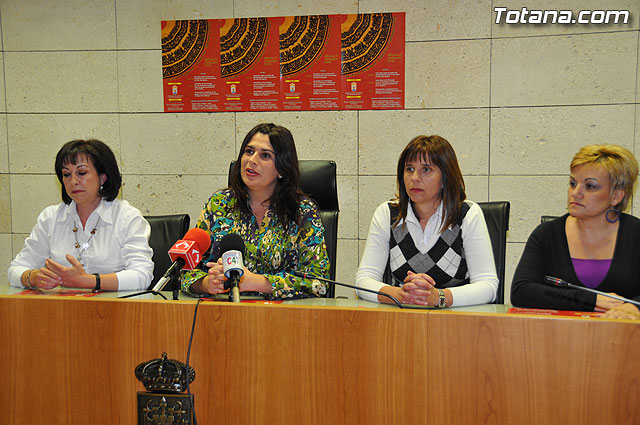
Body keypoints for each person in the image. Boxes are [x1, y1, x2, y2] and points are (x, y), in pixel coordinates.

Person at [181, 123, 330, 298]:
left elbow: (318, 283)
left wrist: (257, 282)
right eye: (249, 151)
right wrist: (207, 283)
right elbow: (183, 271)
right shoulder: (218, 204)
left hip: (282, 312)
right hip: (223, 311)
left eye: (265, 155)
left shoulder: (302, 211)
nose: (252, 160)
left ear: (282, 169)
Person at [355, 135, 498, 306]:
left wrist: (438, 297)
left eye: (426, 169)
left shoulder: (467, 214)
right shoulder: (388, 213)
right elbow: (363, 280)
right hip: (401, 315)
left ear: (445, 178)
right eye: (409, 169)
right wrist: (400, 295)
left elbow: (488, 286)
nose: (415, 177)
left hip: (455, 317)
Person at [511, 144, 640, 320]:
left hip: (624, 334)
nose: (576, 193)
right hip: (560, 333)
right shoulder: (547, 234)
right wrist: (591, 301)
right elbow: (521, 291)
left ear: (616, 196)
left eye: (590, 186)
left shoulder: (636, 234)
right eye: (573, 183)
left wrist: (635, 307)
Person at [8, 139, 154, 291]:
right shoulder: (51, 217)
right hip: (65, 304)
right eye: (66, 174)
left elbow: (142, 276)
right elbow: (15, 270)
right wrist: (33, 277)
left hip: (113, 305)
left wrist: (90, 281)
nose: (73, 181)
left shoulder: (127, 217)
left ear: (102, 177)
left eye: (81, 173)